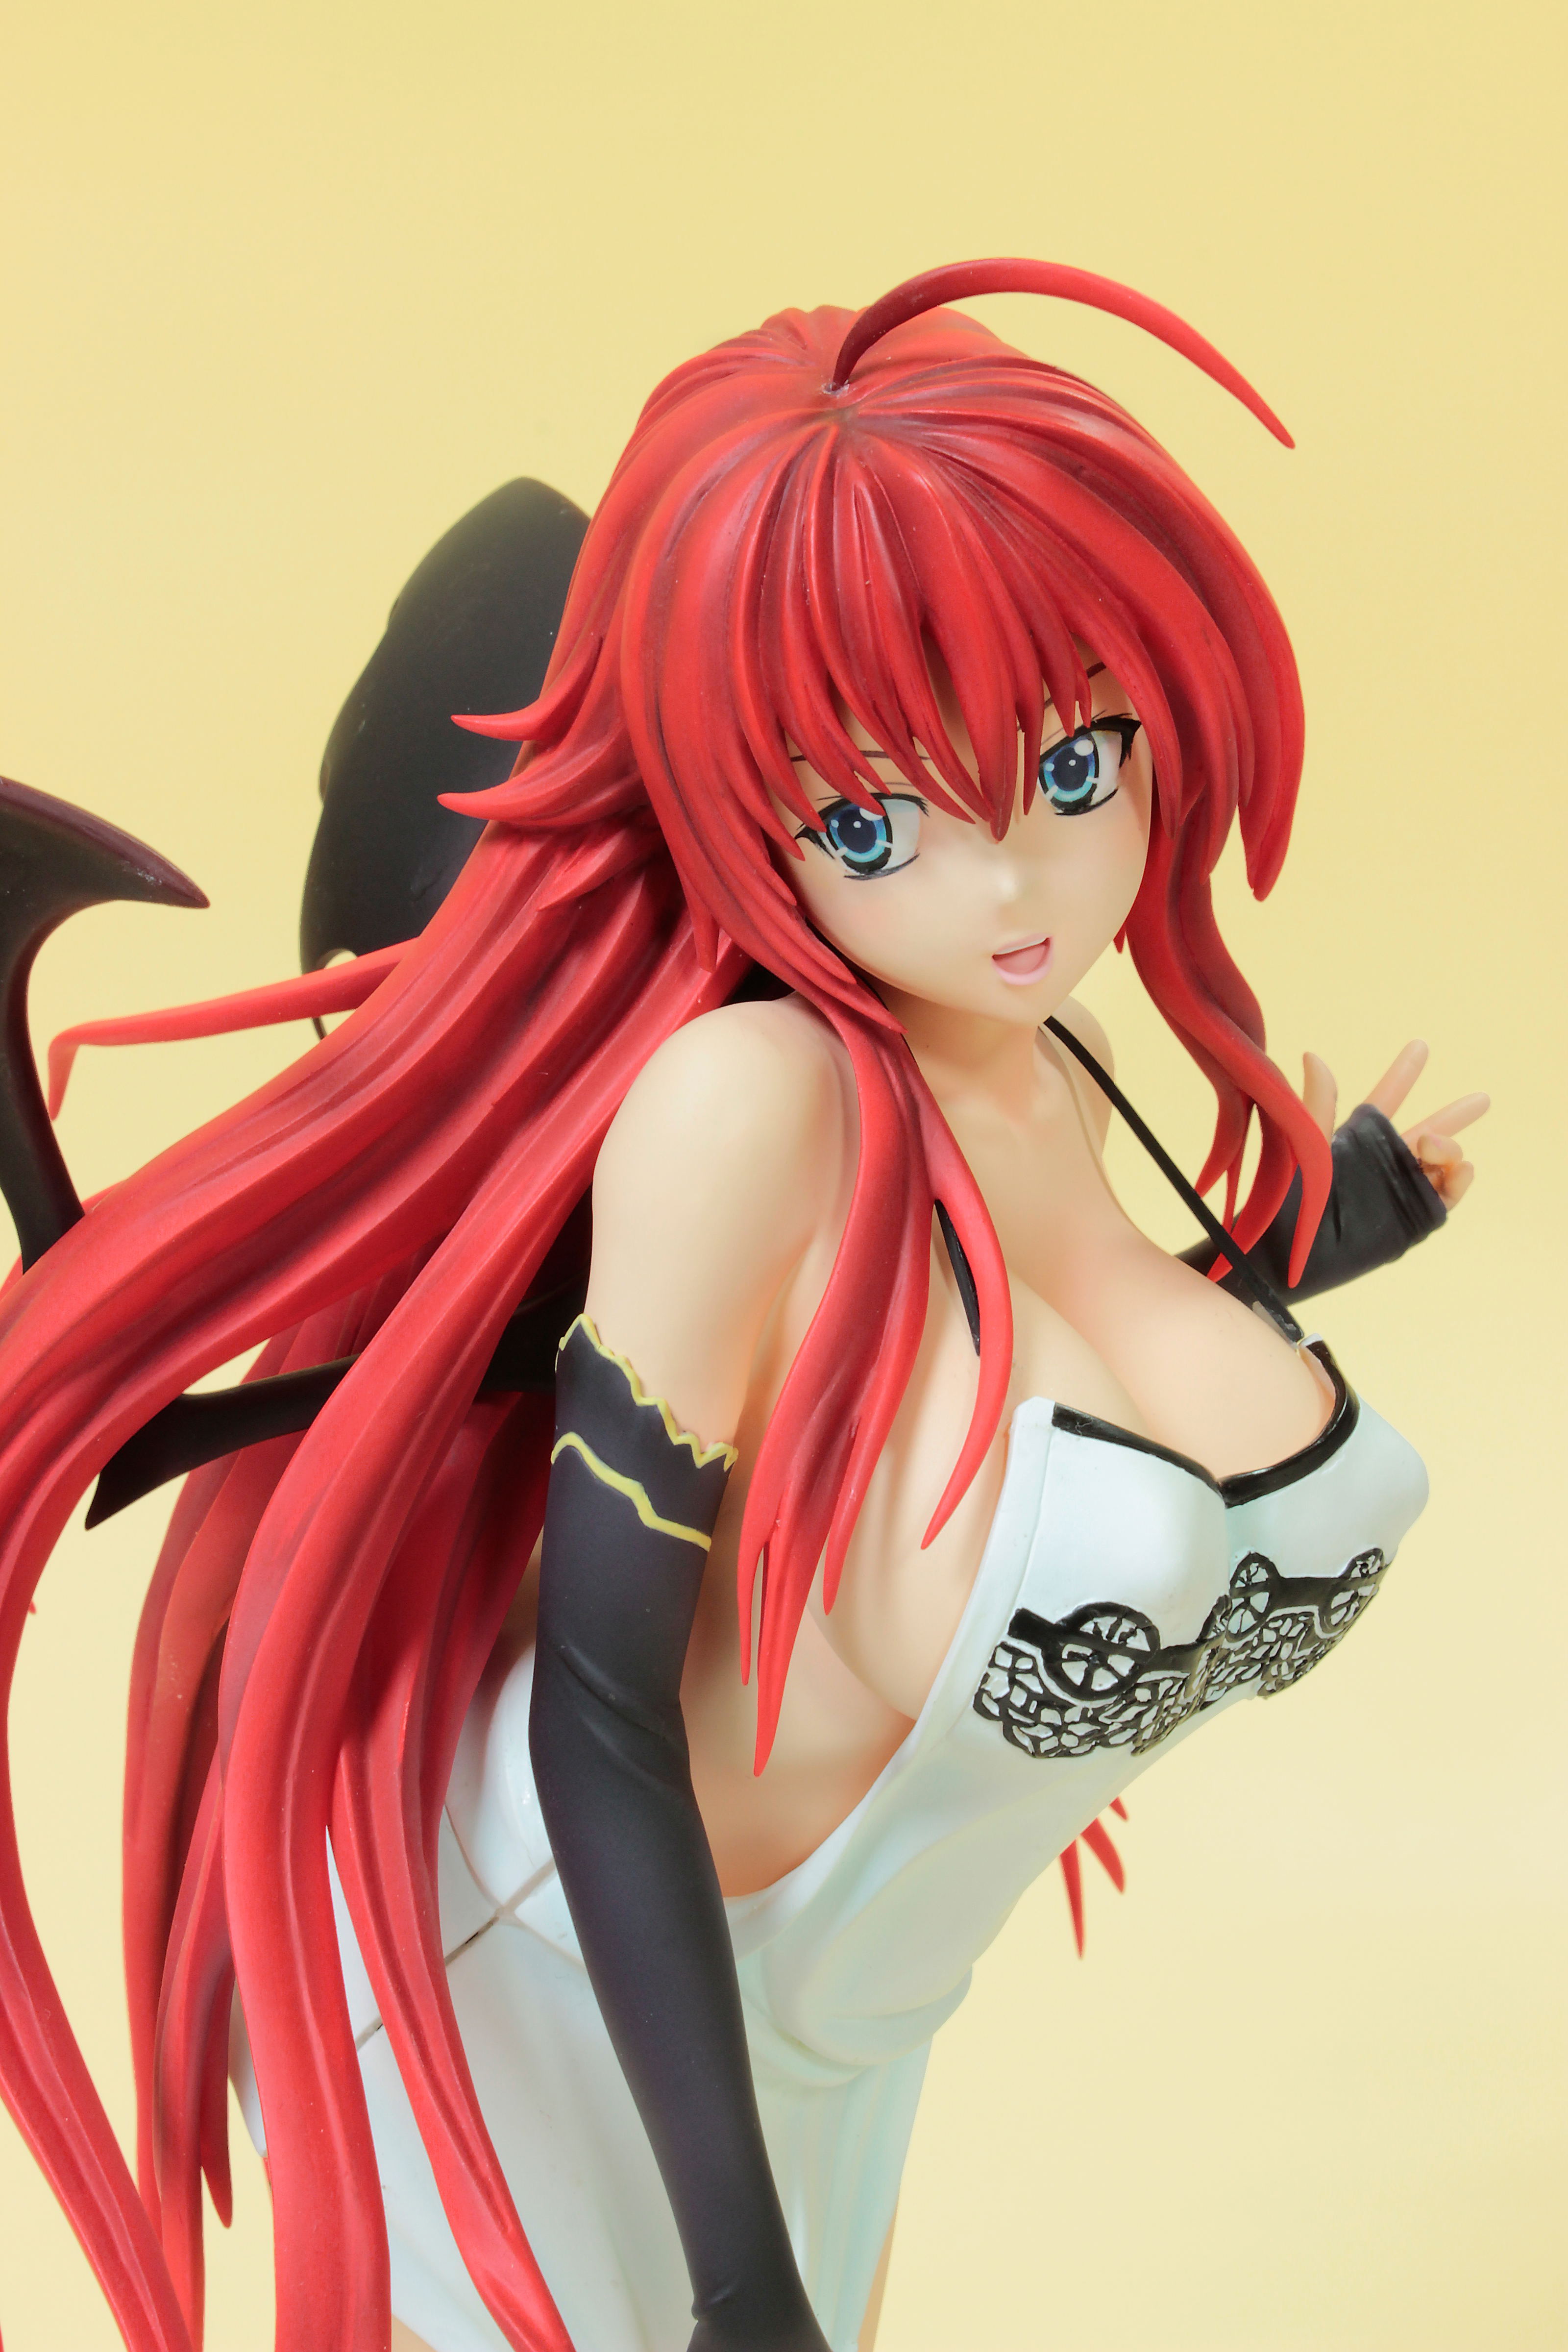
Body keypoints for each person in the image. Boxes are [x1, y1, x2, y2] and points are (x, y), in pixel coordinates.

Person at [0, 261, 1484, 2352]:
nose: (1013, 885)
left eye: (1077, 763)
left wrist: (1291, 1264)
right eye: (878, 817)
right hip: (554, 1996)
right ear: (744, 813)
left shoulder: (1047, 1066)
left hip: (838, 2021)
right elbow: (604, 1710)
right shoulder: (743, 1110)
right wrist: (735, 2278)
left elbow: (989, 1386)